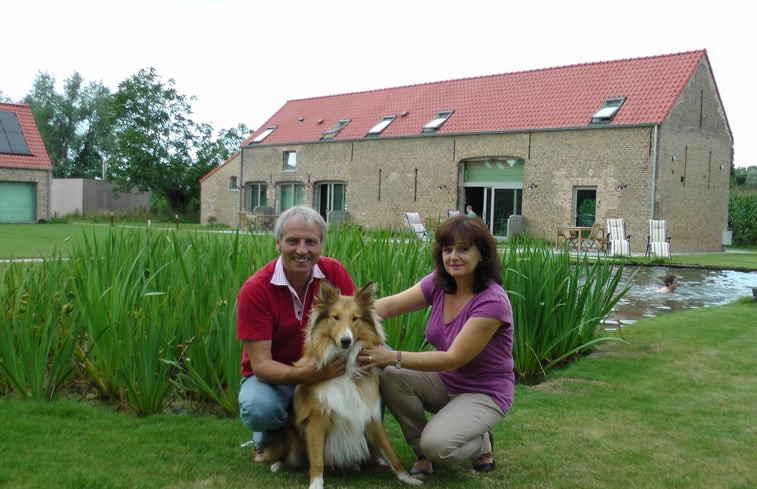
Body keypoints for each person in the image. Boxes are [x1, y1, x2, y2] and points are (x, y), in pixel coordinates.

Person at [360, 216, 514, 479]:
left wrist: (391, 355)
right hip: (445, 382)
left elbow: (453, 359)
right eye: (447, 249)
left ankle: (481, 443)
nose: (453, 256)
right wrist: (346, 320)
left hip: (484, 391)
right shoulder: (440, 284)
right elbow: (390, 306)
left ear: (482, 255)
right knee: (393, 377)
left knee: (439, 446)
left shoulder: (492, 301)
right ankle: (422, 454)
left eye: (463, 249)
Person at [236, 205, 355, 463]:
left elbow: (352, 328)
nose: (302, 250)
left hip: (326, 367)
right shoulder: (256, 290)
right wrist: (307, 375)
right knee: (260, 408)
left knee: (381, 365)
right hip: (274, 378)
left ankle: (365, 448)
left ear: (321, 245)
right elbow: (261, 366)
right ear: (278, 243)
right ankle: (269, 439)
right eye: (293, 241)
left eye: (310, 242)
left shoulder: (334, 274)